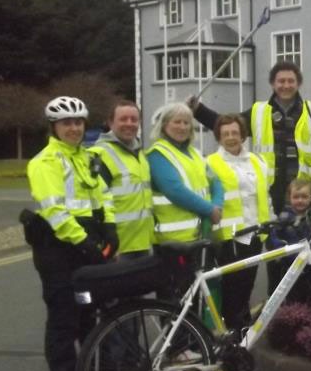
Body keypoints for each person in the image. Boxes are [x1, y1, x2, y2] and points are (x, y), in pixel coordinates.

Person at [25, 96, 118, 371]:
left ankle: (91, 368)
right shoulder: (44, 162)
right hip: (58, 251)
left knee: (89, 314)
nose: (74, 128)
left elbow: (103, 196)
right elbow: (55, 211)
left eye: (78, 122)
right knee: (64, 320)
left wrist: (111, 229)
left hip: (86, 247)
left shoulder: (88, 157)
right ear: (54, 127)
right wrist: (83, 242)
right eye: (67, 123)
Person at [189, 61, 311, 213]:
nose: (286, 85)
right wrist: (198, 110)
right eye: (281, 81)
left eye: (291, 81)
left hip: (302, 194)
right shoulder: (258, 112)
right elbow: (224, 125)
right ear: (273, 84)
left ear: (298, 83)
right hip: (270, 192)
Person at [147, 103, 224, 302]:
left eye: (187, 123)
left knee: (195, 300)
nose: (182, 127)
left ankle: (193, 334)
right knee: (175, 302)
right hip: (172, 242)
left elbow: (216, 183)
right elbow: (174, 190)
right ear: (164, 126)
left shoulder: (195, 154)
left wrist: (217, 207)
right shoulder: (158, 154)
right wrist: (210, 210)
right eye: (177, 122)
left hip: (198, 238)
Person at [206, 114, 274, 332]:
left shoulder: (257, 161)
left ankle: (241, 330)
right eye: (225, 133)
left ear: (243, 135)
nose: (231, 137)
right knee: (232, 288)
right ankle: (233, 333)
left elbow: (265, 196)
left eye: (235, 132)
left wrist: (270, 224)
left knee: (247, 285)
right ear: (218, 137)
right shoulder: (211, 163)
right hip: (230, 237)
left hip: (255, 233)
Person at [89, 100, 155, 260]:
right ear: (110, 123)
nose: (129, 123)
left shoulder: (140, 154)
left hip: (144, 245)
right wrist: (106, 243)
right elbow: (95, 203)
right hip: (117, 248)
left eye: (134, 119)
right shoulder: (98, 155)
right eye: (123, 119)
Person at [268, 178, 311, 300]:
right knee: (292, 297)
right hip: (290, 267)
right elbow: (275, 237)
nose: (300, 200)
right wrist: (283, 250)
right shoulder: (283, 218)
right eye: (296, 197)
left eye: (304, 197)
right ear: (289, 198)